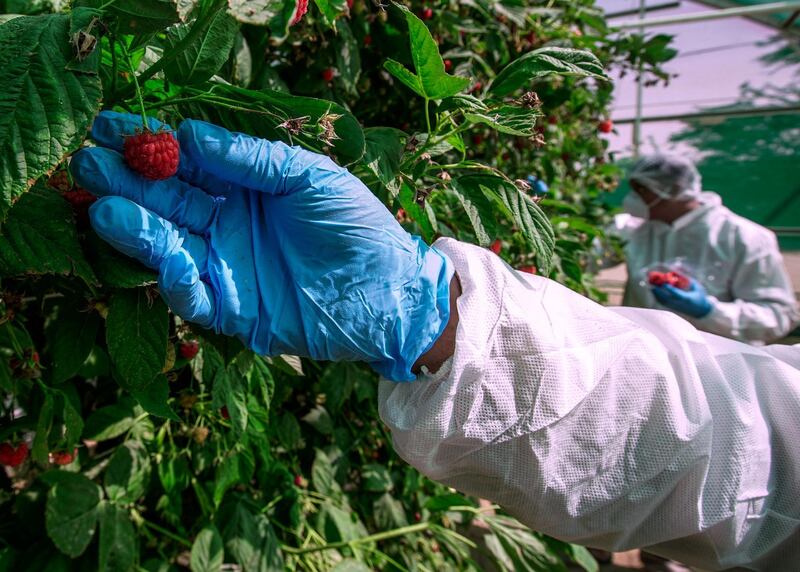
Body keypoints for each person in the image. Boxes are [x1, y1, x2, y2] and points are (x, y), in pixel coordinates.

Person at [72, 112, 800, 572]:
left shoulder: (748, 238)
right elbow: (732, 439)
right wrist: (436, 322)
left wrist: (717, 311)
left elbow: (751, 441)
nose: (640, 202)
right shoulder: (646, 235)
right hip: (650, 355)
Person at [618, 154, 798, 343]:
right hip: (644, 355)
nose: (632, 198)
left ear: (675, 189)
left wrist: (710, 311)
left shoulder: (743, 237)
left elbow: (779, 316)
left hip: (719, 362)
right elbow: (593, 256)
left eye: (641, 190)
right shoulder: (634, 230)